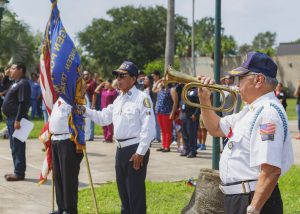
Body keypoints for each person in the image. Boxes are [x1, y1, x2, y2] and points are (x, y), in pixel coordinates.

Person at [198, 52, 294, 214]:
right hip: (240, 197)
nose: (237, 84)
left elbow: (271, 170)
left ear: (259, 80)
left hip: (252, 199)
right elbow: (215, 128)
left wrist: (253, 209)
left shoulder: (267, 113)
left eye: (241, 78)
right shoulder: (252, 110)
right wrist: (204, 100)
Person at [81, 61, 156, 214]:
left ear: (133, 79)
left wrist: (141, 152)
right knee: (124, 193)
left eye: (123, 76)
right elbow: (103, 118)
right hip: (120, 150)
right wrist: (84, 110)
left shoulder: (142, 98)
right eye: (117, 75)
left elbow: (148, 128)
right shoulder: (118, 99)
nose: (118, 79)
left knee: (135, 195)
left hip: (135, 150)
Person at [49, 97, 83, 214]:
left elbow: (79, 120)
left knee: (68, 178)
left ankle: (70, 210)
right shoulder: (58, 99)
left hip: (68, 140)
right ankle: (61, 208)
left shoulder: (74, 98)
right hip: (55, 140)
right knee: (58, 176)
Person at [2, 63, 31, 181]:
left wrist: (18, 120)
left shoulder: (23, 83)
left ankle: (19, 173)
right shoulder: (16, 83)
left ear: (21, 70)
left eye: (13, 69)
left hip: (18, 119)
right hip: (12, 119)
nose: (10, 70)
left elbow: (22, 103)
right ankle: (16, 171)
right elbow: (4, 85)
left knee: (18, 146)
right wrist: (5, 75)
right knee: (14, 146)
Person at [153, 79, 178, 152]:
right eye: (162, 80)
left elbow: (175, 102)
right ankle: (163, 145)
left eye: (164, 80)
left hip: (167, 112)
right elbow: (153, 89)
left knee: (168, 130)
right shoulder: (161, 88)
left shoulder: (172, 89)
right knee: (163, 130)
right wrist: (159, 81)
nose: (163, 81)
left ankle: (167, 147)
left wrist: (172, 113)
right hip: (159, 111)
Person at [179, 87, 200, 158]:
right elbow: (181, 101)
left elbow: (198, 104)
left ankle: (192, 151)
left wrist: (195, 114)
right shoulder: (185, 90)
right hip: (183, 114)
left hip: (191, 115)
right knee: (184, 134)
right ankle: (186, 149)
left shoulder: (195, 92)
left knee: (191, 134)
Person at [83, 70, 97, 141]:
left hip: (91, 102)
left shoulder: (92, 82)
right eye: (84, 74)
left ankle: (91, 136)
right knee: (86, 119)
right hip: (85, 103)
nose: (85, 75)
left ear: (89, 75)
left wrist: (93, 105)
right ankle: (87, 134)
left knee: (91, 119)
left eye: (87, 74)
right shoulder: (84, 82)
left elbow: (94, 94)